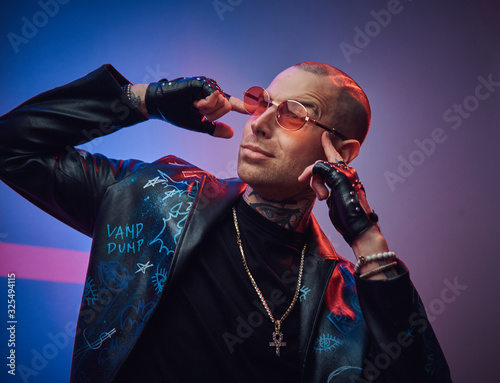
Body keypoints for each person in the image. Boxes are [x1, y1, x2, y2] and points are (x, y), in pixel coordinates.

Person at [0, 62, 452, 382]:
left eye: (293, 114)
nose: (259, 123)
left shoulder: (344, 302)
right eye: (262, 103)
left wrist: (366, 235)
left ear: (343, 153)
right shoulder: (152, 196)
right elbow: (11, 146)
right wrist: (144, 100)